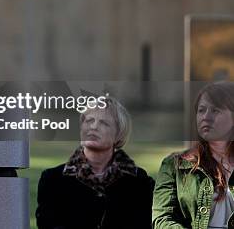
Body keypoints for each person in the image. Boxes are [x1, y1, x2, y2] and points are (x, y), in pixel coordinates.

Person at [36, 97, 154, 229]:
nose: (94, 127)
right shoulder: (53, 179)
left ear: (119, 135)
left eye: (104, 123)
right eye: (89, 121)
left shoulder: (139, 181)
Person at [153, 81, 234, 229]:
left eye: (215, 110)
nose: (206, 117)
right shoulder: (173, 165)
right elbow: (161, 219)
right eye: (202, 110)